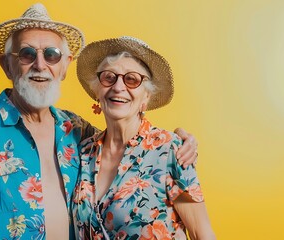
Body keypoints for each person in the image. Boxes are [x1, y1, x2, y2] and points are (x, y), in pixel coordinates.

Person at [0, 4, 199, 240]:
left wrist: (180, 140)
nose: (40, 65)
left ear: (64, 66)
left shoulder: (76, 131)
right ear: (8, 65)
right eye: (27, 54)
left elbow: (127, 143)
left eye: (51, 55)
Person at [72, 36, 215, 240]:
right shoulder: (83, 152)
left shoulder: (169, 149)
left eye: (131, 79)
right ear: (97, 91)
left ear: (145, 97)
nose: (118, 87)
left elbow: (202, 233)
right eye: (109, 77)